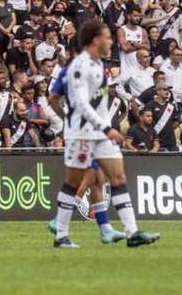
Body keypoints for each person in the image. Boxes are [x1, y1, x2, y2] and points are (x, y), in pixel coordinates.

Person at [51, 19, 159, 248]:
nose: (111, 42)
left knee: (118, 177)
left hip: (101, 133)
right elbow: (80, 102)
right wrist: (103, 127)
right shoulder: (79, 66)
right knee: (74, 182)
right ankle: (61, 235)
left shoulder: (99, 64)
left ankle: (132, 233)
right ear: (94, 40)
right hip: (82, 133)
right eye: (107, 37)